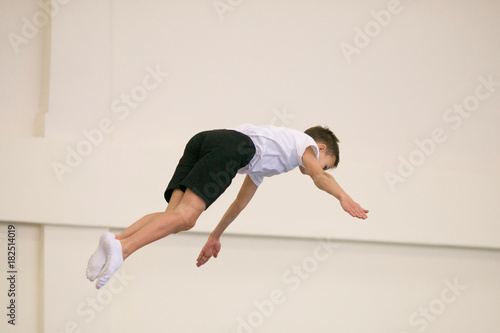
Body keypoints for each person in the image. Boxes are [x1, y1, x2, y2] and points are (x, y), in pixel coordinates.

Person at [86, 123, 368, 289]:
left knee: (173, 217)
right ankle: (124, 249)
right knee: (187, 218)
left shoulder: (275, 151)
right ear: (320, 147)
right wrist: (343, 196)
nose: (315, 168)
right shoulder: (304, 145)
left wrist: (216, 235)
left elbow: (239, 202)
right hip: (234, 147)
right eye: (326, 161)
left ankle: (116, 239)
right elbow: (319, 176)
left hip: (206, 141)